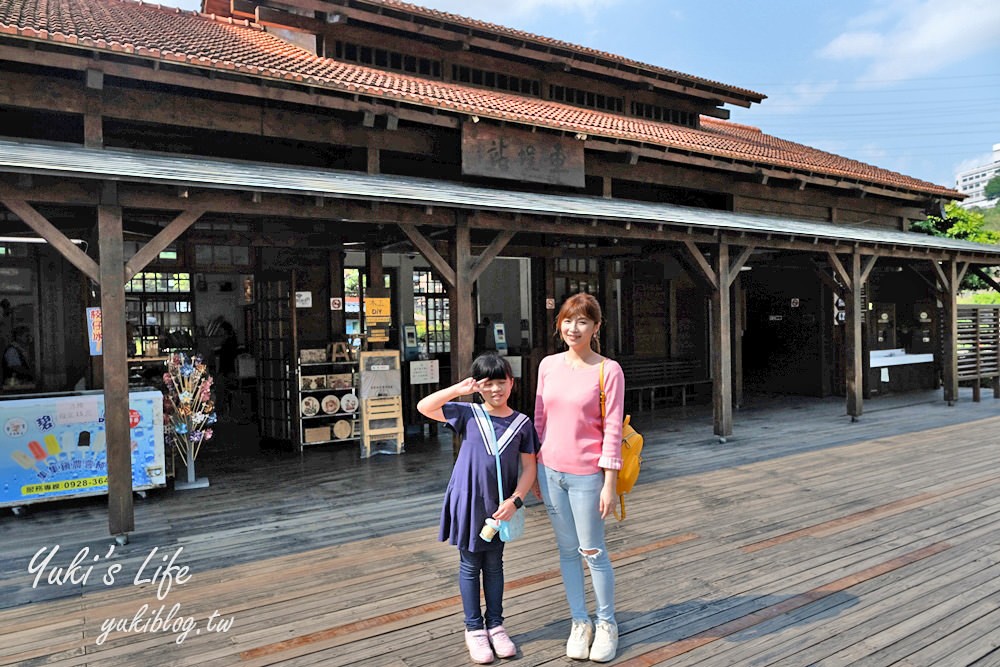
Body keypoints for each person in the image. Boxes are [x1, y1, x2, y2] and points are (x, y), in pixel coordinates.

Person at [418, 352, 539, 664]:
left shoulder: (522, 423)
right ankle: (474, 629)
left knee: (495, 564)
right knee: (470, 564)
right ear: (478, 387)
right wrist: (458, 390)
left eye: (502, 382)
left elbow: (529, 468)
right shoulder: (467, 413)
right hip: (469, 500)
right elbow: (424, 407)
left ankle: (496, 625)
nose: (496, 389)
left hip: (501, 506)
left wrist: (516, 500)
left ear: (512, 383)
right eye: (488, 384)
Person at [533, 293, 624, 663]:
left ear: (596, 327)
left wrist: (610, 483)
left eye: (583, 321)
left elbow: (613, 429)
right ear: (560, 325)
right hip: (550, 471)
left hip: (588, 475)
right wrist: (532, 470)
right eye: (568, 321)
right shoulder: (548, 365)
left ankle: (606, 623)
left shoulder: (608, 369)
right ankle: (579, 621)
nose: (574, 328)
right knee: (567, 552)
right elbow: (539, 419)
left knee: (593, 551)